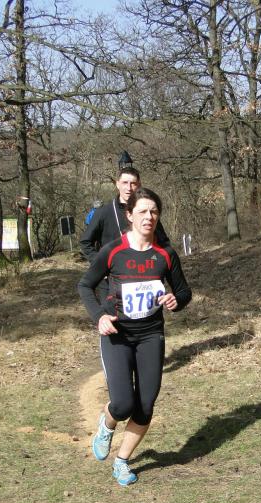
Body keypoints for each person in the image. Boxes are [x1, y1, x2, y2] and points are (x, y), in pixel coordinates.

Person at [77, 188, 192, 486]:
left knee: (145, 405)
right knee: (123, 404)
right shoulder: (113, 251)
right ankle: (107, 424)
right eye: (142, 211)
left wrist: (176, 300)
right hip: (117, 334)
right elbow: (85, 285)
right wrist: (99, 317)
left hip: (150, 335)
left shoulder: (165, 254)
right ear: (129, 215)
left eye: (154, 211)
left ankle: (122, 461)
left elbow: (183, 291)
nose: (148, 217)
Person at [79, 166, 170, 264]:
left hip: (144, 268)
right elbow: (85, 242)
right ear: (117, 184)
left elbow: (164, 242)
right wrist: (101, 263)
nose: (129, 188)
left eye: (133, 183)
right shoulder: (103, 212)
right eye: (125, 183)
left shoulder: (148, 212)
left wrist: (157, 263)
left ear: (139, 185)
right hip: (113, 270)